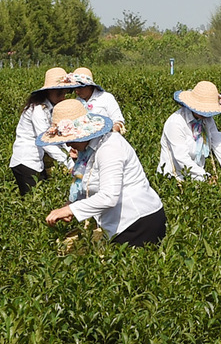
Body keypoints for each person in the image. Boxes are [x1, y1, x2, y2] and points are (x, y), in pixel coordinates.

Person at [42, 97, 168, 246]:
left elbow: (109, 196)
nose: (68, 144)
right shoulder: (87, 152)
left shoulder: (110, 147)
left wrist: (71, 209)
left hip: (138, 222)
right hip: (118, 225)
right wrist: (68, 205)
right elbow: (87, 184)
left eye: (70, 138)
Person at [9, 67, 78, 195]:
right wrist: (68, 163)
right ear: (48, 92)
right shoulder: (38, 109)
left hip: (37, 162)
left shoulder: (51, 109)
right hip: (27, 161)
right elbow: (45, 141)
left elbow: (55, 135)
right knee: (33, 201)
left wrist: (69, 150)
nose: (62, 97)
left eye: (64, 93)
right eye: (59, 94)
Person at [158, 80, 221, 181]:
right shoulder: (176, 122)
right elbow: (181, 157)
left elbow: (218, 142)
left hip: (199, 175)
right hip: (174, 177)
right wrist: (206, 176)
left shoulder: (207, 119)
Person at [69, 68, 125, 135]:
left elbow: (118, 120)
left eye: (80, 88)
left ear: (89, 86)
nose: (77, 91)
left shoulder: (106, 97)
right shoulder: (76, 102)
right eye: (75, 88)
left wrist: (110, 133)